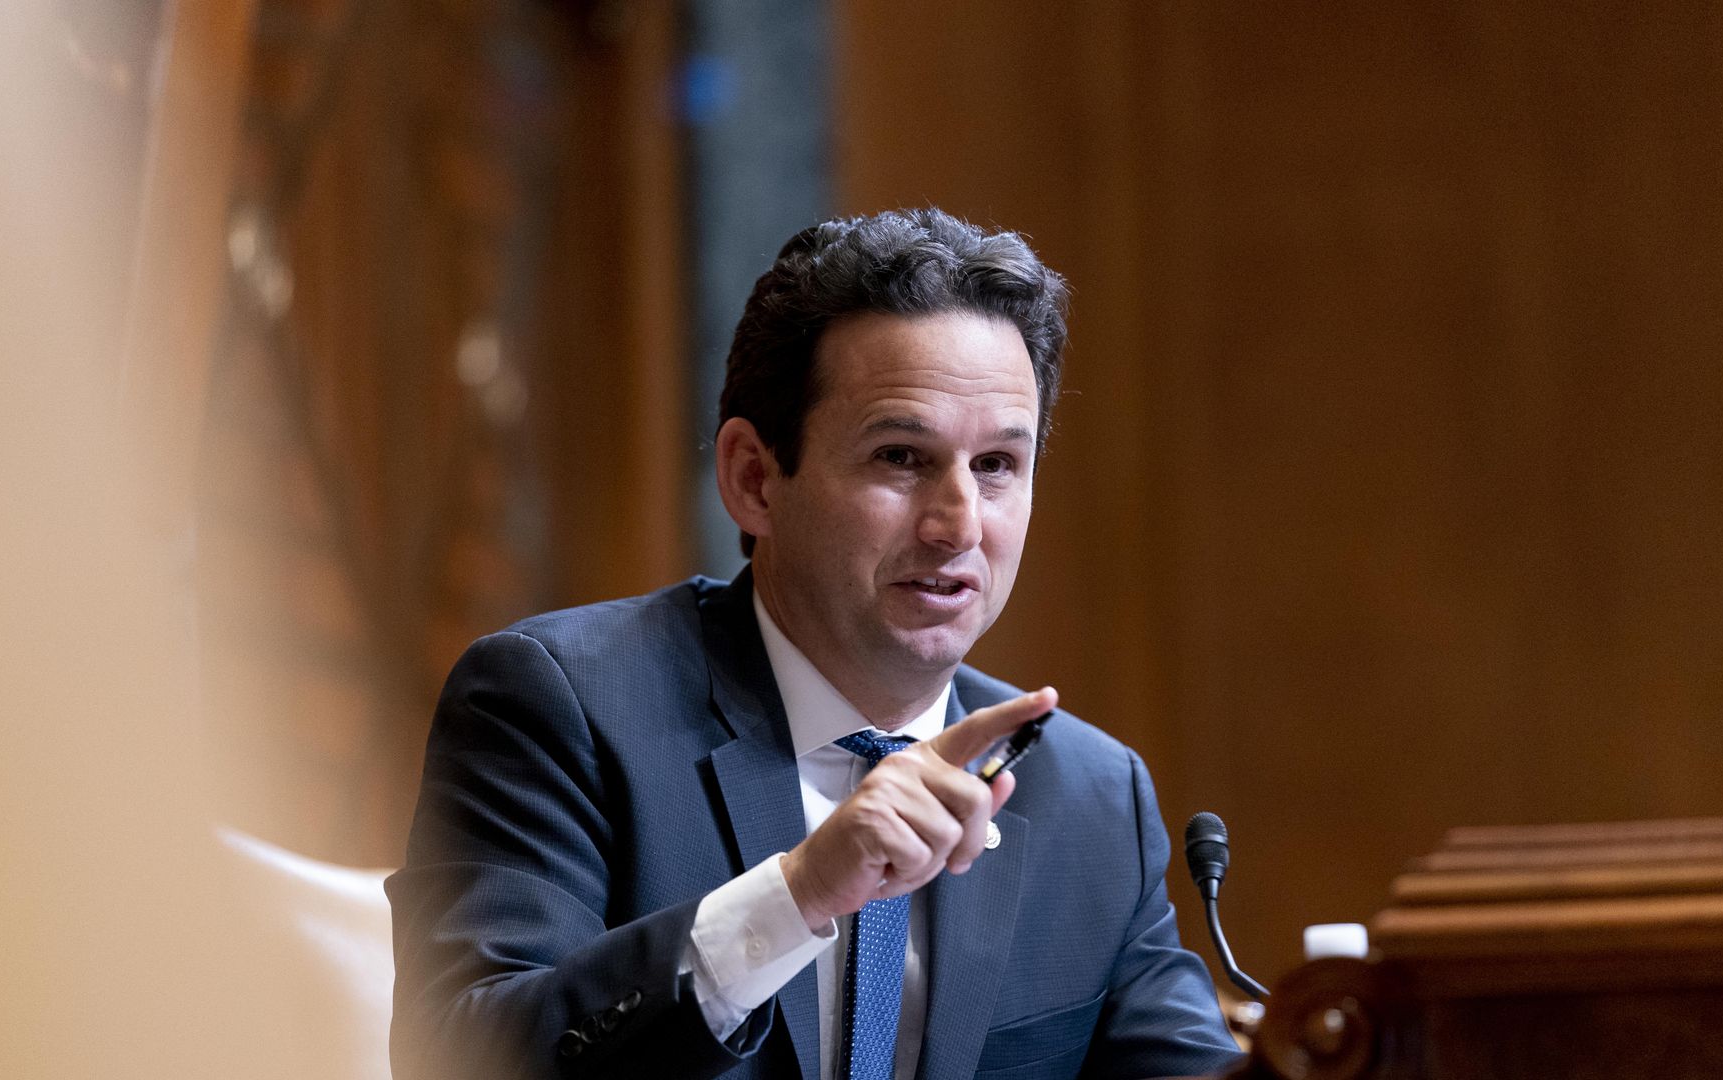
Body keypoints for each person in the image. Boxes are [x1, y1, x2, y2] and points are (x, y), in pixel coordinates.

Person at [387, 209, 1244, 1079]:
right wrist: (797, 895)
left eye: (995, 466)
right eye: (901, 457)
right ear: (754, 479)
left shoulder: (1091, 797)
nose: (959, 526)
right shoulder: (563, 706)